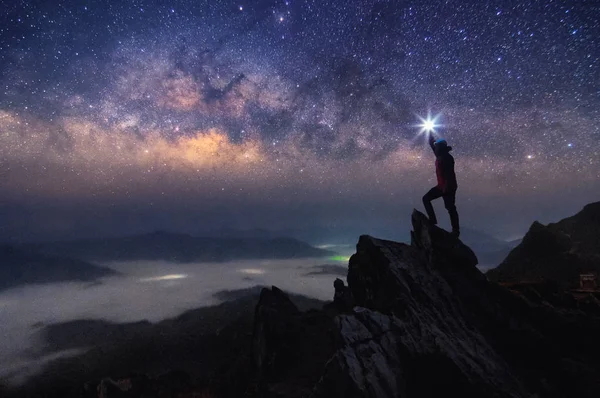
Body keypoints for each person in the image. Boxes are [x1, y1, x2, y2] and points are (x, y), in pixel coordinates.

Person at [422, 133, 460, 237]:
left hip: (448, 187)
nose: (436, 147)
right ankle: (433, 220)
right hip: (442, 186)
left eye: (437, 146)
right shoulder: (440, 155)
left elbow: (449, 174)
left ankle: (455, 231)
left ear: (441, 148)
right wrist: (431, 139)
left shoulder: (447, 158)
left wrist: (446, 188)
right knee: (426, 199)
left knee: (450, 207)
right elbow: (433, 146)